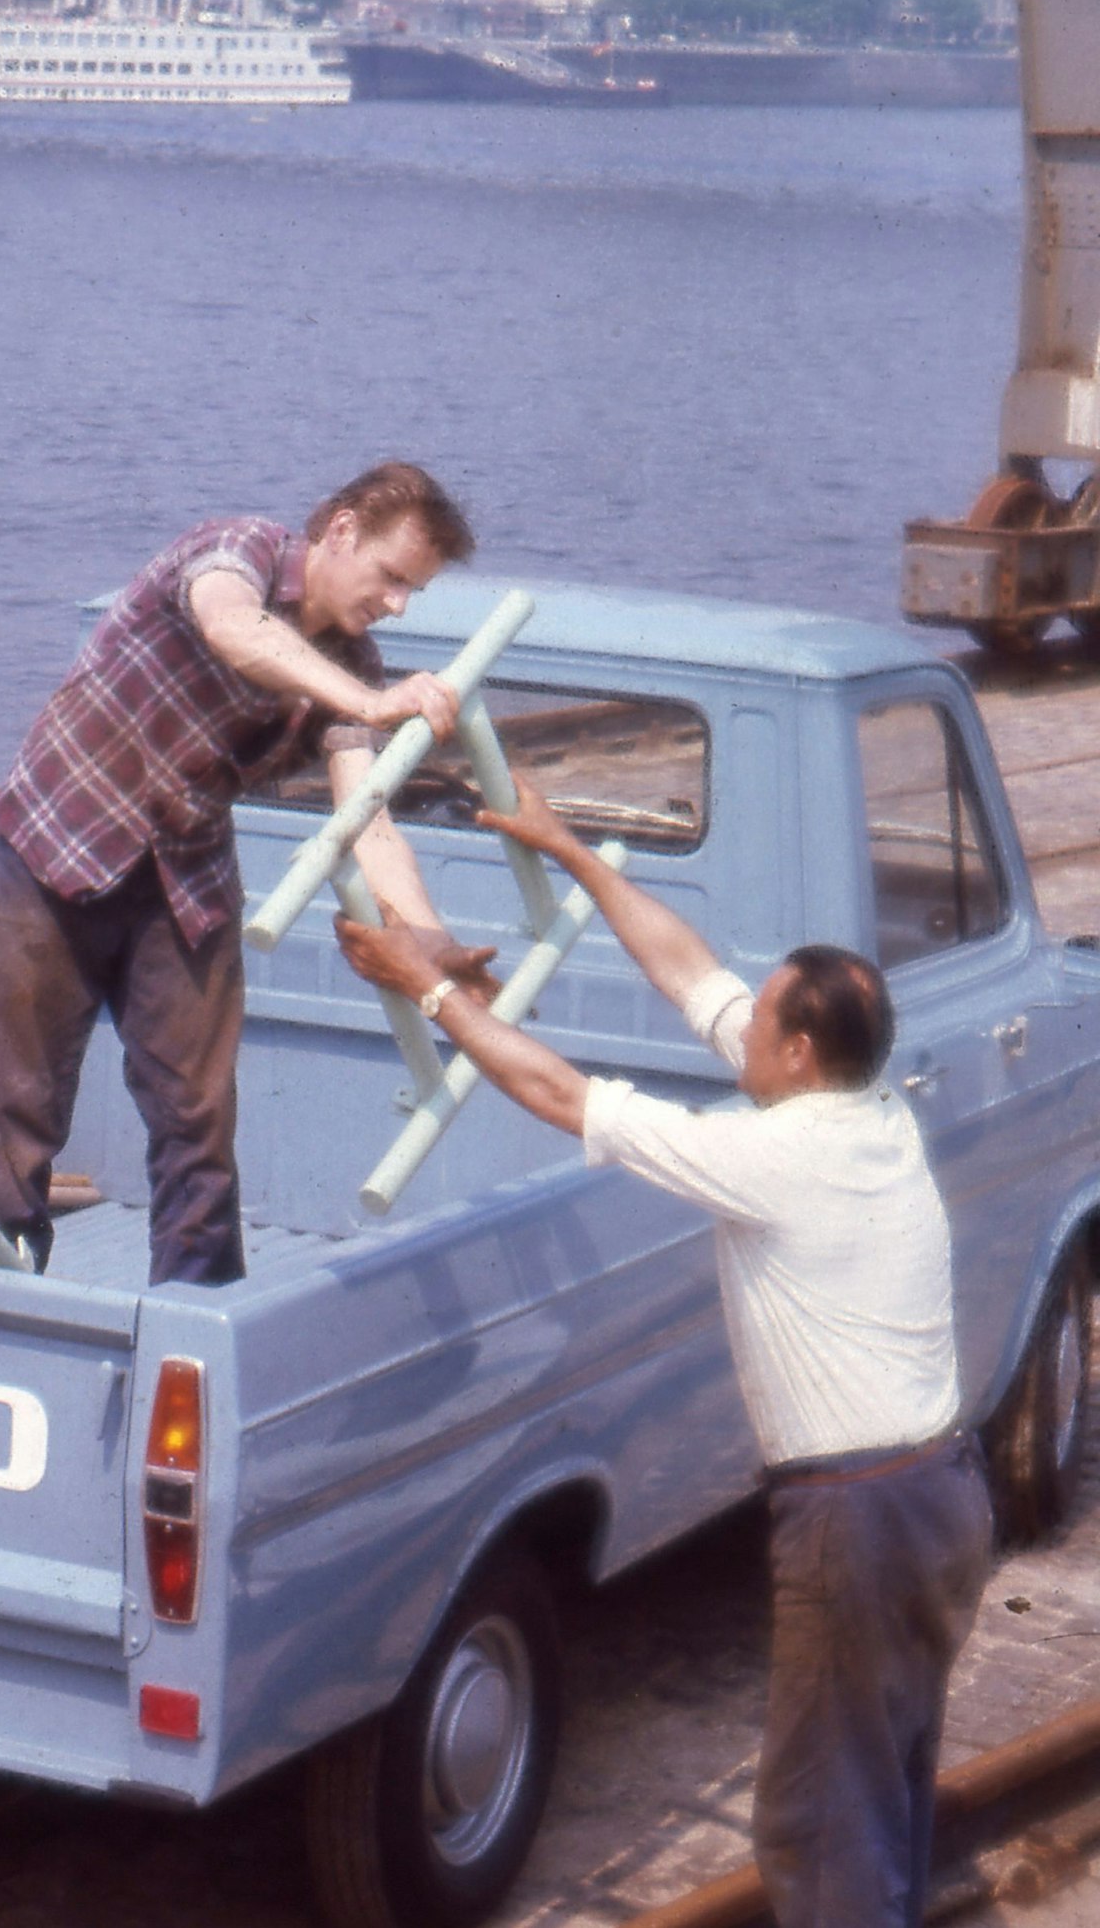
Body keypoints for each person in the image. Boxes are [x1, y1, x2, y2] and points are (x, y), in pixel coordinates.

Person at [336, 775, 994, 1928]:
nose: (736, 1022)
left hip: (858, 1516)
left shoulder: (772, 1156)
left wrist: (430, 985)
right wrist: (573, 850)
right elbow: (688, 968)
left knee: (816, 1815)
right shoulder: (865, 1104)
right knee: (881, 1775)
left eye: (761, 1017)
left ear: (793, 1047)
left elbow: (552, 1087)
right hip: (939, 1494)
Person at [0, 460, 477, 1286]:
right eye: (391, 578)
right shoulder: (235, 551)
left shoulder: (354, 669)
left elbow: (366, 822)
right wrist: (372, 704)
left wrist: (429, 937)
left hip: (182, 880)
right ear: (340, 531)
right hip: (57, 842)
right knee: (18, 1103)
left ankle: (196, 1312)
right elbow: (236, 630)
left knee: (198, 1118)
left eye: (414, 589)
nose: (398, 604)